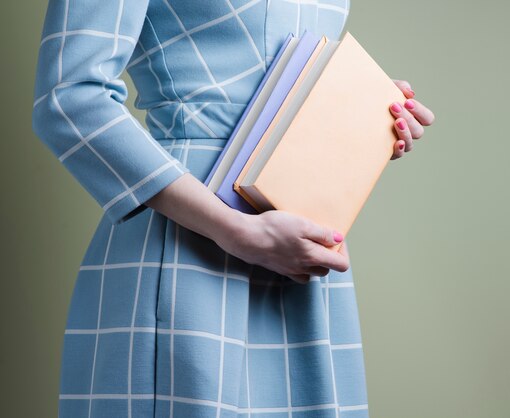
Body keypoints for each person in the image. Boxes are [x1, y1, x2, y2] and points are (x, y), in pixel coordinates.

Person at [31, 1, 435, 417]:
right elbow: (69, 96)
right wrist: (233, 229)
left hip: (299, 245)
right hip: (192, 242)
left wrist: (364, 114)